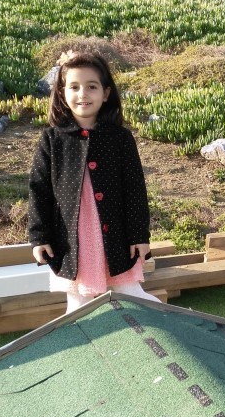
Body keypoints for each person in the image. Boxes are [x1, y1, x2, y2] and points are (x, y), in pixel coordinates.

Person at [28, 50, 159, 313]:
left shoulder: (120, 138)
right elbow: (39, 191)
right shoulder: (52, 139)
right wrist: (39, 237)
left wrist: (139, 236)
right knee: (79, 306)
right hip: (72, 242)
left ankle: (174, 330)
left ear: (106, 93)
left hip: (116, 238)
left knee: (132, 295)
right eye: (74, 87)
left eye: (92, 86)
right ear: (62, 93)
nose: (83, 94)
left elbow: (135, 190)